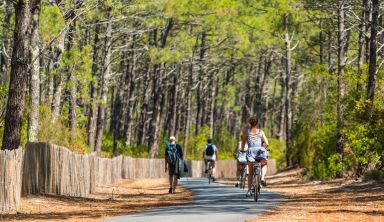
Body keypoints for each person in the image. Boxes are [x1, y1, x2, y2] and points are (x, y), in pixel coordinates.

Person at [241, 116, 269, 196]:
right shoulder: (261, 131)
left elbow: (243, 144)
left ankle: (249, 191)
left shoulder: (246, 132)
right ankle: (263, 178)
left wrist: (242, 150)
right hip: (260, 150)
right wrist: (263, 148)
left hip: (250, 151)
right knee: (264, 164)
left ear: (250, 123)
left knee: (250, 172)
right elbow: (267, 143)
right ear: (257, 123)